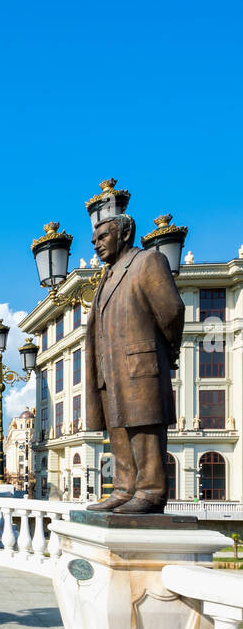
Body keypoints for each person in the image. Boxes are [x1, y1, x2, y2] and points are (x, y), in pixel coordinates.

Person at [85, 213, 184, 513]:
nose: (96, 245)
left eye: (103, 237)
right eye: (94, 240)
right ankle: (124, 489)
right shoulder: (107, 276)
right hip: (110, 369)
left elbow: (172, 310)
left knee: (144, 428)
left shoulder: (148, 261)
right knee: (118, 429)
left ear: (125, 234)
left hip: (140, 365)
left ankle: (151, 492)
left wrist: (167, 350)